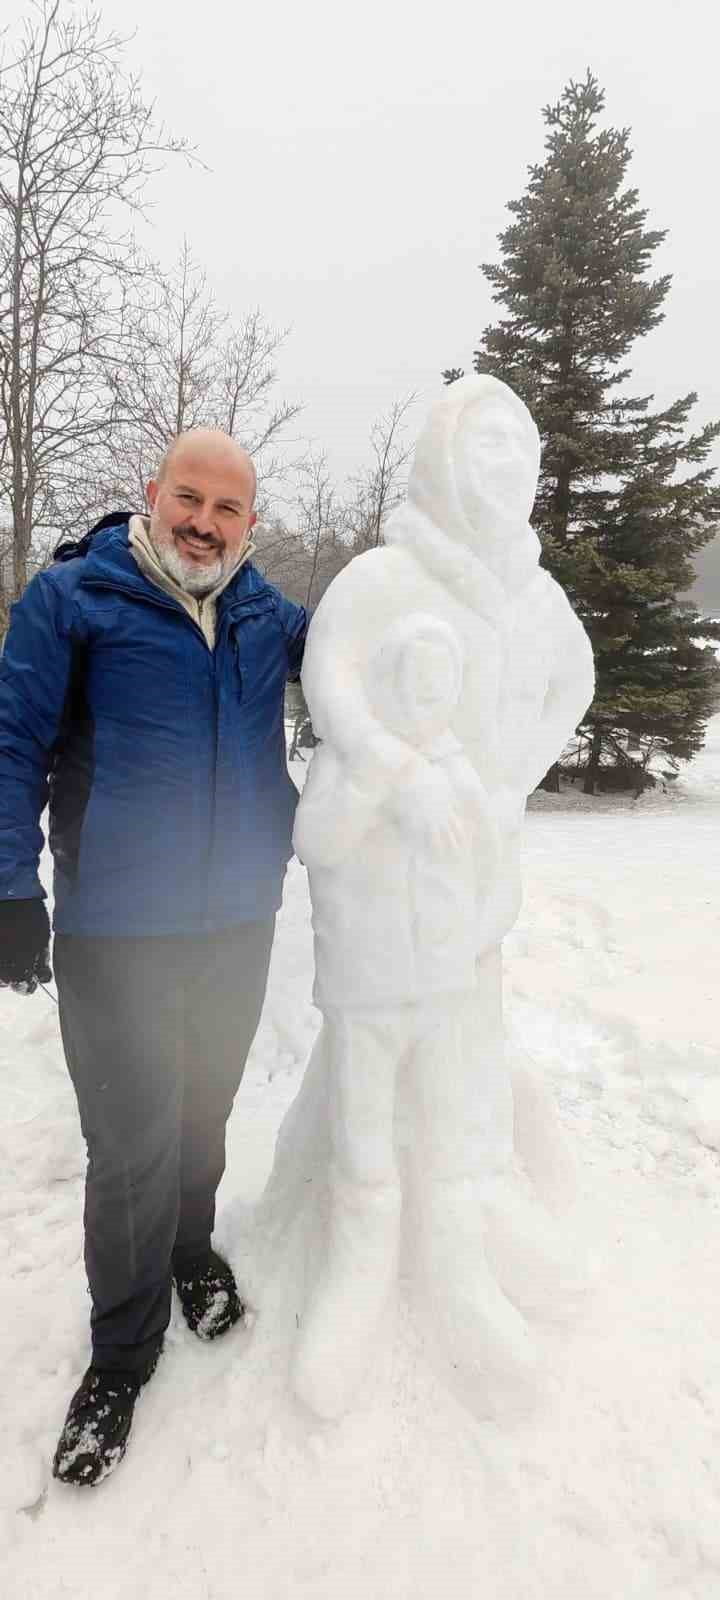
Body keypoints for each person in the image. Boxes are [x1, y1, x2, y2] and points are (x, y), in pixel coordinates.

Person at [0, 429, 308, 1485]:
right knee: (130, 1144)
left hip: (236, 922)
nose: (204, 524)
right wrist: (8, 885)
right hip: (118, 931)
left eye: (227, 509)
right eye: (189, 498)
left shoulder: (267, 615)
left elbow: (376, 655)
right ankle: (121, 1356)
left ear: (249, 523)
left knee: (202, 1112)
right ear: (153, 492)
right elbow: (11, 742)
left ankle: (188, 1250)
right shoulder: (75, 600)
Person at [291, 613, 499, 1418]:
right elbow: (316, 842)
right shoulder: (351, 763)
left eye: (441, 688)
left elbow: (488, 865)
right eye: (415, 685)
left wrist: (466, 940)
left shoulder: (456, 766)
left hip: (442, 993)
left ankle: (458, 1270)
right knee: (364, 1141)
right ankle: (358, 1272)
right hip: (367, 994)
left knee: (446, 1131)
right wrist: (385, 783)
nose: (427, 702)